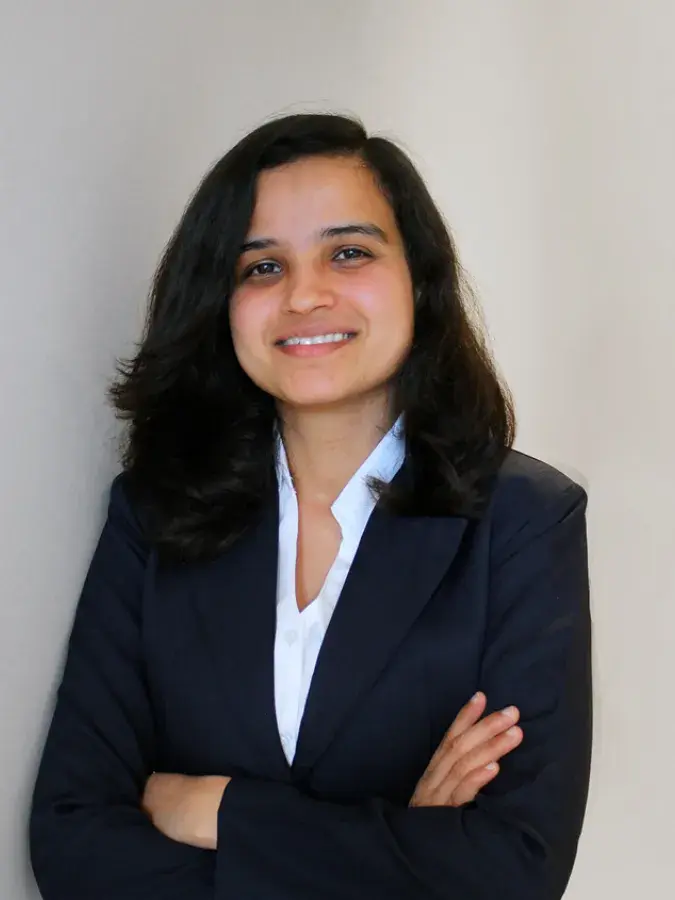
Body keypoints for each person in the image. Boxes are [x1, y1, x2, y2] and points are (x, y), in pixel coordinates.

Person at [29, 113, 592, 900]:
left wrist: (222, 810)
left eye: (349, 252)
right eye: (260, 267)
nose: (305, 294)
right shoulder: (154, 513)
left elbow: (510, 870)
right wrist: (399, 840)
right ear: (219, 302)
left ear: (419, 281)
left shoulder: (524, 523)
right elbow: (71, 842)